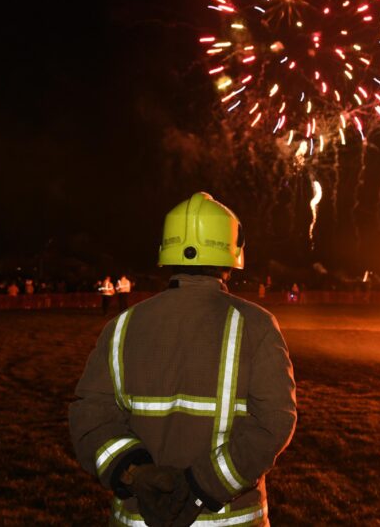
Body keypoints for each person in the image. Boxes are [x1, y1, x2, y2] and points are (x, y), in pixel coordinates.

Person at [69, 192, 297, 527]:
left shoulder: (122, 326)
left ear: (167, 252)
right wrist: (202, 486)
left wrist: (135, 472)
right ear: (231, 255)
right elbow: (273, 423)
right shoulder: (256, 325)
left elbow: (89, 419)